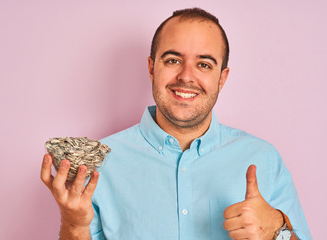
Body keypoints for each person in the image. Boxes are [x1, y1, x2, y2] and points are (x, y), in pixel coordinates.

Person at [41, 8, 312, 240]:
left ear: (222, 78)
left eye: (204, 65)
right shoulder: (101, 163)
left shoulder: (263, 158)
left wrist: (277, 230)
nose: (186, 76)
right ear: (151, 68)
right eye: (173, 60)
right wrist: (74, 226)